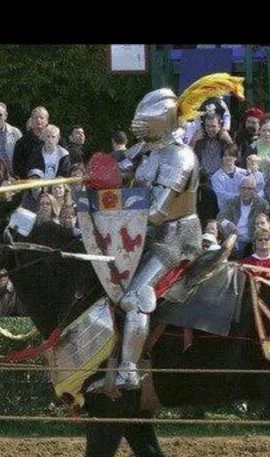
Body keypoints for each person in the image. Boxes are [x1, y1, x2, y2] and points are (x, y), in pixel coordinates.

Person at [116, 86, 204, 389]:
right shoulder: (146, 148)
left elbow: (156, 212)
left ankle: (128, 369)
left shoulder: (180, 157)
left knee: (135, 297)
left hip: (176, 236)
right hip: (144, 232)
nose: (137, 124)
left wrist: (120, 210)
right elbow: (119, 173)